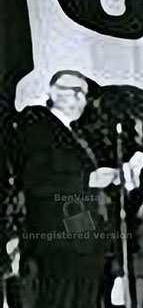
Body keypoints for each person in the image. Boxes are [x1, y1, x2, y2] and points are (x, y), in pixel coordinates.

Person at [15, 70, 121, 308]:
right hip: (59, 236)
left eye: (84, 93)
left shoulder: (77, 134)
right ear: (53, 92)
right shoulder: (36, 125)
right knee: (60, 300)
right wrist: (88, 180)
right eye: (75, 91)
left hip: (85, 234)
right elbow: (35, 179)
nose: (82, 99)